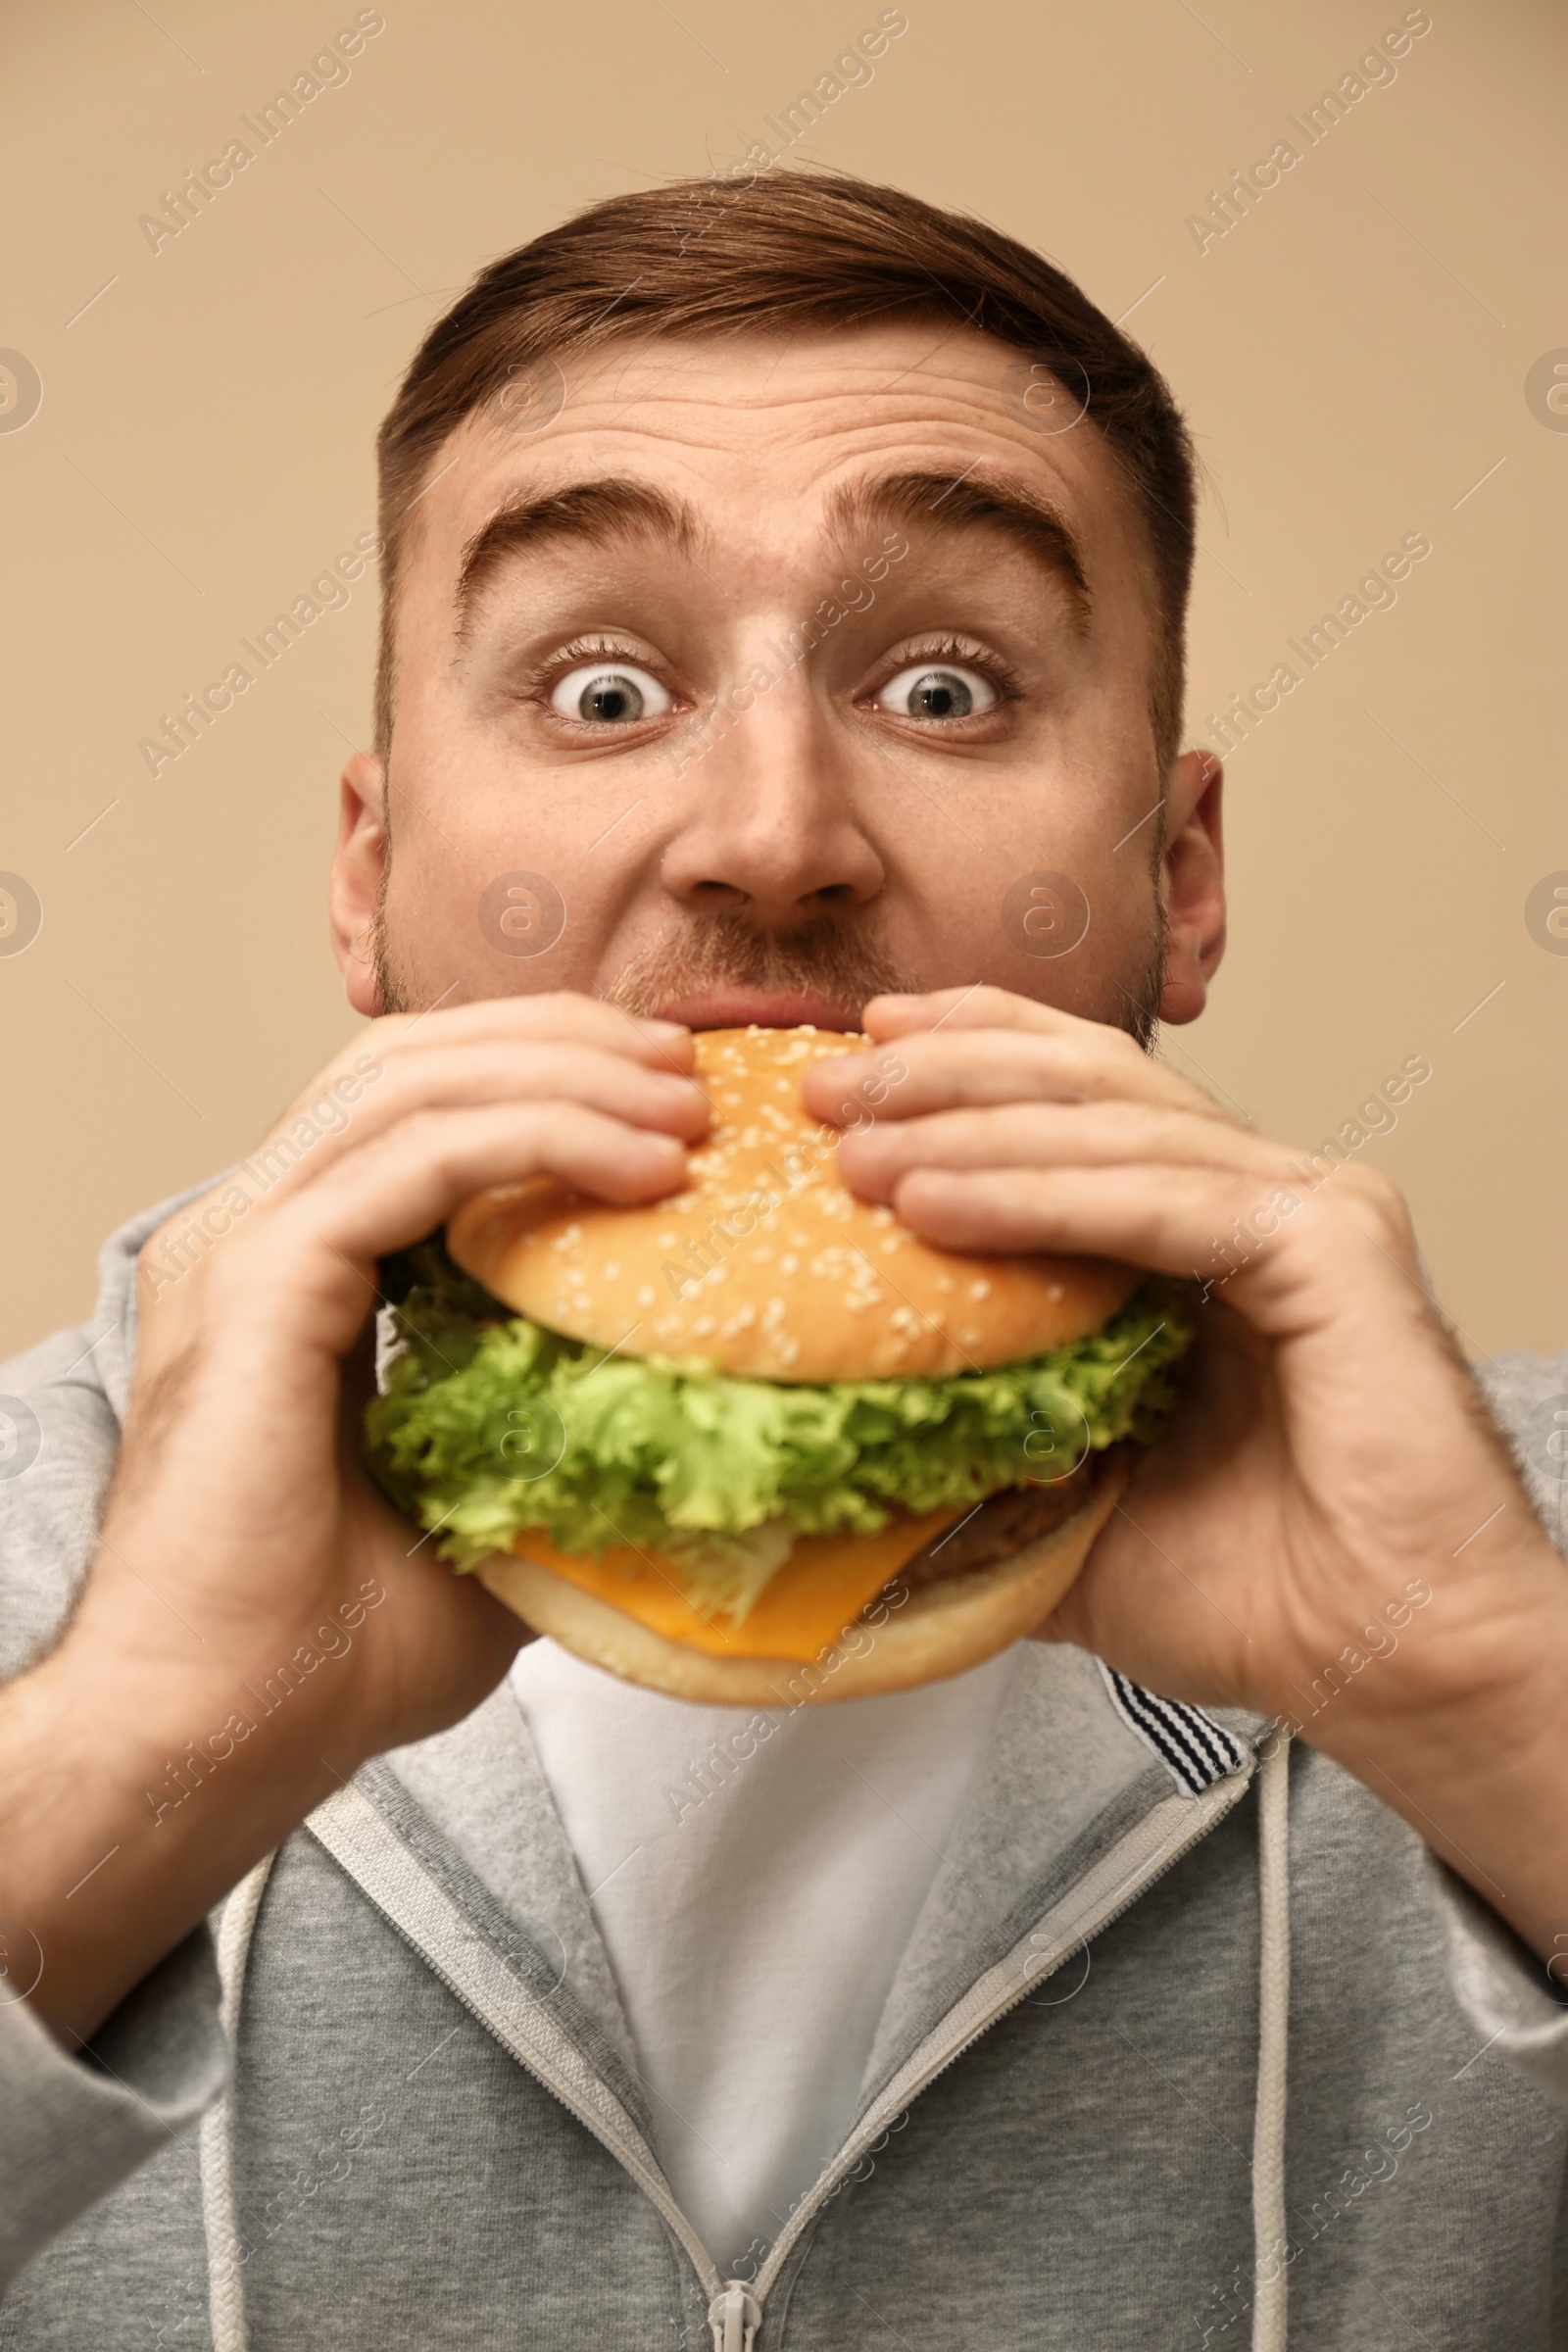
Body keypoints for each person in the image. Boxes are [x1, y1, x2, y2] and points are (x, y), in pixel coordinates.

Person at [1, 172, 1564, 2352]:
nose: (769, 837)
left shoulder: (1524, 1554)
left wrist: (1485, 1702)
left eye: (939, 686)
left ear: (1177, 878)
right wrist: (136, 1765)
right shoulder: (26, 1545)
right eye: (603, 685)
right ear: (370, 880)